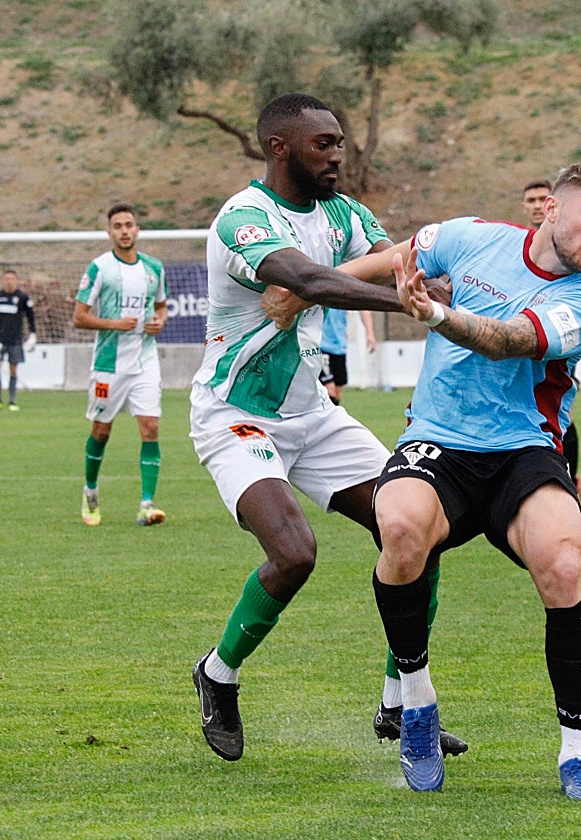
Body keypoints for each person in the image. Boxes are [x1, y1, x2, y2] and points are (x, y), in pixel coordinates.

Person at [187, 92, 465, 764]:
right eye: (323, 144)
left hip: (314, 415)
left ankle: (400, 701)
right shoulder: (244, 219)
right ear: (279, 148)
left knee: (416, 527)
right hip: (236, 416)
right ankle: (217, 676)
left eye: (339, 142)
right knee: (295, 555)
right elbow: (305, 276)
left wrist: (408, 281)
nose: (337, 155)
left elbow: (400, 258)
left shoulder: (344, 212)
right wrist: (407, 302)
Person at [347, 160, 581, 799]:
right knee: (397, 528)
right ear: (552, 210)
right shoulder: (473, 236)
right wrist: (313, 287)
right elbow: (397, 256)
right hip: (438, 441)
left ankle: (577, 754)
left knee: (562, 562)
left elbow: (507, 341)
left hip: (521, 451)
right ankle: (417, 706)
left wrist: (436, 316)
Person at [73, 202, 168, 527]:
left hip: (144, 360)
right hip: (108, 365)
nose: (125, 231)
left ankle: (146, 504)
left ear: (137, 229)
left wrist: (159, 322)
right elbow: (79, 318)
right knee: (101, 430)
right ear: (109, 231)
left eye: (129, 225)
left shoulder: (154, 268)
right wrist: (115, 324)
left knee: (151, 428)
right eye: (118, 226)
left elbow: (161, 306)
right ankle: (90, 491)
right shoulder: (99, 268)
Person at [522, 177, 581, 492]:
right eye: (530, 200)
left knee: (561, 412)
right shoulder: (518, 246)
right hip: (527, 340)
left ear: (553, 205)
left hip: (563, 343)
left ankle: (569, 479)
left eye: (540, 199)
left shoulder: (573, 248)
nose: (535, 206)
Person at [0, 269, 36, 411]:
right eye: (6, 278)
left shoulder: (23, 298)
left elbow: (30, 317)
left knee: (13, 369)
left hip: (15, 339)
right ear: (3, 280)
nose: (9, 281)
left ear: (16, 280)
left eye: (12, 278)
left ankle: (12, 401)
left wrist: (33, 334)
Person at [319, 307, 376, 404]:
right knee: (330, 391)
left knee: (337, 393)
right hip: (321, 346)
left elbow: (363, 307)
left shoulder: (343, 294)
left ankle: (331, 418)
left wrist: (370, 333)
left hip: (339, 346)